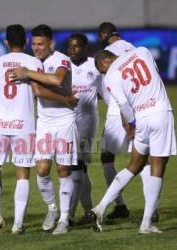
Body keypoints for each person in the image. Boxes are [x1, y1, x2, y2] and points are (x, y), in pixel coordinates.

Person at [0, 24, 77, 236]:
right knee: (28, 173)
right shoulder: (34, 62)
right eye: (34, 43)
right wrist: (67, 99)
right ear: (26, 42)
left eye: (40, 44)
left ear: (6, 42)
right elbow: (37, 89)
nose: (36, 47)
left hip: (1, 122)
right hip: (27, 123)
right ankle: (20, 223)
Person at [90, 47, 176, 234]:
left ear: (103, 64)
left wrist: (132, 124)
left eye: (102, 71)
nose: (104, 73)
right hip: (160, 112)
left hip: (142, 118)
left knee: (134, 166)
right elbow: (154, 75)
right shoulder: (143, 51)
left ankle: (101, 207)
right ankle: (147, 223)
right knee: (158, 167)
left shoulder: (111, 76)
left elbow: (123, 104)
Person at [98, 22, 135, 219]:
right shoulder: (134, 48)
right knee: (141, 158)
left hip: (118, 108)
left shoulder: (107, 54)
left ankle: (120, 205)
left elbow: (108, 85)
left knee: (106, 157)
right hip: (140, 105)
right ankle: (151, 210)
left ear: (103, 35)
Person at [67, 33, 103, 225]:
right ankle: (89, 211)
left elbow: (106, 91)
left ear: (85, 48)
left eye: (77, 46)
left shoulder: (94, 66)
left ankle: (69, 216)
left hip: (87, 120)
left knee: (76, 165)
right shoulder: (63, 65)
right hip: (66, 121)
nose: (72, 50)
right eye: (70, 46)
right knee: (80, 168)